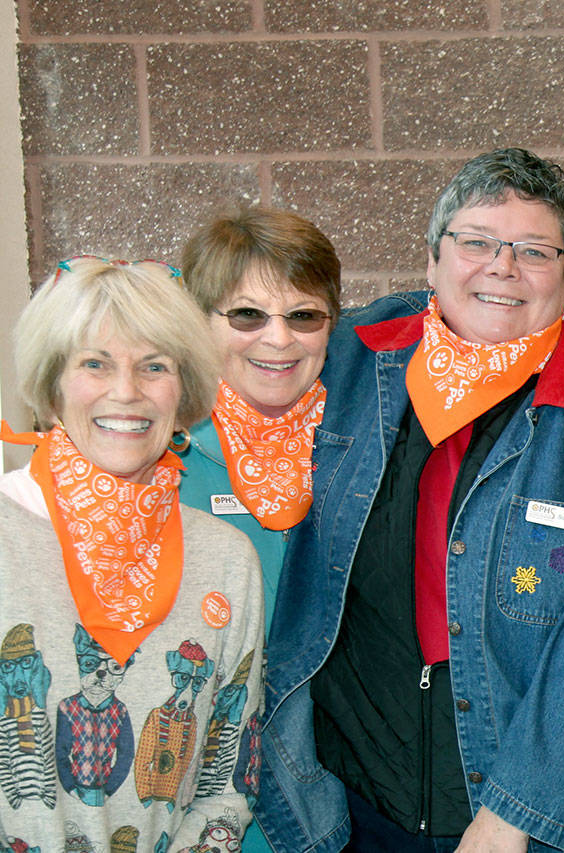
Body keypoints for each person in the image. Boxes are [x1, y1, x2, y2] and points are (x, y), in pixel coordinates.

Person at [255, 147, 564, 852]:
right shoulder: (351, 357)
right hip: (356, 800)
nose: (502, 266)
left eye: (534, 250)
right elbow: (234, 339)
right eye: (477, 242)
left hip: (523, 815)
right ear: (432, 260)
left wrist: (515, 812)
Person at [0, 256, 263, 852]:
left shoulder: (226, 558)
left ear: (184, 391)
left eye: (154, 367)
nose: (127, 391)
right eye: (95, 363)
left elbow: (230, 777)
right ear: (51, 385)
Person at [177, 206, 341, 853]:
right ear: (200, 323)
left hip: (320, 811)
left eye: (304, 315)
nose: (279, 339)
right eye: (247, 315)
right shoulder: (156, 460)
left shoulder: (363, 455)